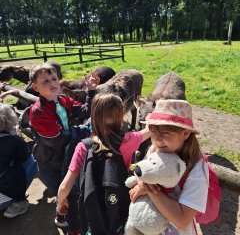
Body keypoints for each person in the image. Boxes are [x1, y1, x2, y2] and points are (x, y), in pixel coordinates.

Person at [57, 93, 151, 234]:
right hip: (117, 196)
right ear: (120, 116)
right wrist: (150, 119)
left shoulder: (84, 147)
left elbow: (66, 184)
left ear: (94, 116)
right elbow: (148, 131)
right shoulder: (129, 140)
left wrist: (60, 202)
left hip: (92, 200)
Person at [29, 62, 100, 235]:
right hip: (51, 161)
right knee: (65, 193)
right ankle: (70, 225)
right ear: (35, 87)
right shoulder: (38, 111)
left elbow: (84, 111)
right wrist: (82, 130)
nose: (52, 83)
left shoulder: (63, 100)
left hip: (66, 155)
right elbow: (55, 140)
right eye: (45, 81)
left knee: (66, 192)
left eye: (54, 78)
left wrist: (90, 91)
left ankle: (60, 216)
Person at [129, 99, 209, 235]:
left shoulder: (196, 169)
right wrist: (140, 181)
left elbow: (182, 219)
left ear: (185, 133)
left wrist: (147, 189)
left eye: (166, 133)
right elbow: (142, 172)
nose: (158, 140)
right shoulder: (154, 150)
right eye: (154, 132)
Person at [0, 103, 38, 218]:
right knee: (33, 162)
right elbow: (24, 157)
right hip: (2, 198)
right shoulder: (14, 141)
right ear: (10, 120)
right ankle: (18, 203)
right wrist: (17, 137)